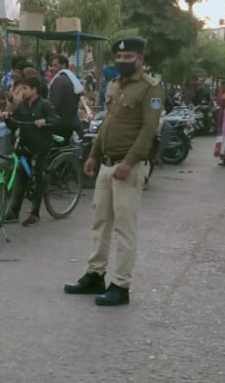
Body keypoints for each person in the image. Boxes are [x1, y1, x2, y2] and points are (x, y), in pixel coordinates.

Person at [65, 37, 161, 307]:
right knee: (100, 223)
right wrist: (94, 154)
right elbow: (107, 122)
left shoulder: (150, 88)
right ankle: (95, 274)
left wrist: (128, 163)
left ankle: (120, 284)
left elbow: (148, 130)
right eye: (119, 57)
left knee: (124, 228)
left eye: (128, 57)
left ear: (140, 59)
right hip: (107, 164)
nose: (122, 61)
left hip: (127, 167)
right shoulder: (114, 85)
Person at [2, 77, 59, 226]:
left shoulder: (45, 105)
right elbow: (14, 124)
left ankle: (35, 213)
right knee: (21, 179)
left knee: (37, 177)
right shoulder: (22, 106)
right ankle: (14, 212)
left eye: (25, 89)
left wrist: (45, 121)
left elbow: (56, 120)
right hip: (25, 146)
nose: (23, 92)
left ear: (34, 90)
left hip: (40, 147)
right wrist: (7, 118)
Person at [47, 53, 84, 142]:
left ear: (63, 65)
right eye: (51, 65)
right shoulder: (71, 79)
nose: (52, 68)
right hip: (70, 123)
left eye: (55, 65)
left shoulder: (59, 80)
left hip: (59, 125)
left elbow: (54, 105)